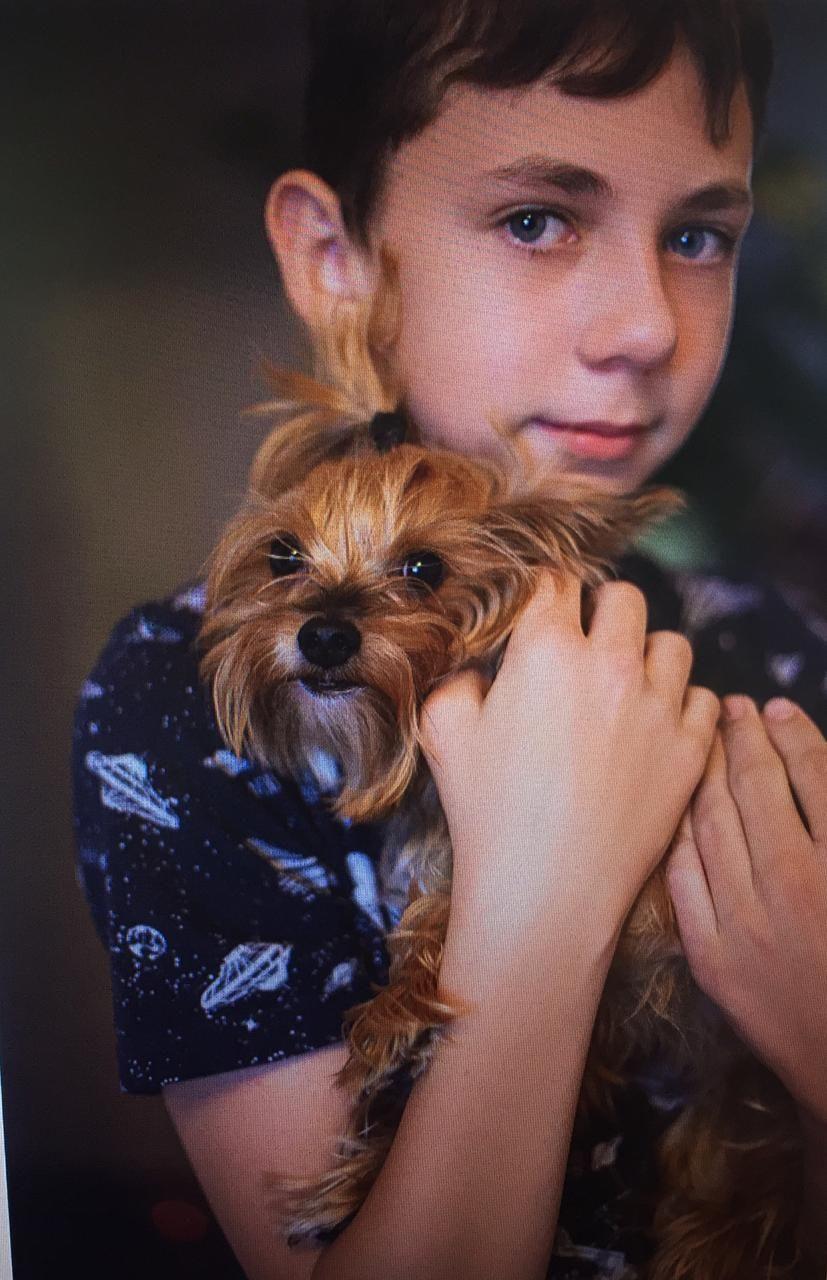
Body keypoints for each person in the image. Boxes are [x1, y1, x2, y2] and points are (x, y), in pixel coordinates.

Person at [70, 2, 827, 1277]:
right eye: (536, 219)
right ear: (335, 258)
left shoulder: (787, 656)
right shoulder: (185, 697)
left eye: (696, 234)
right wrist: (537, 900)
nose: (645, 326)